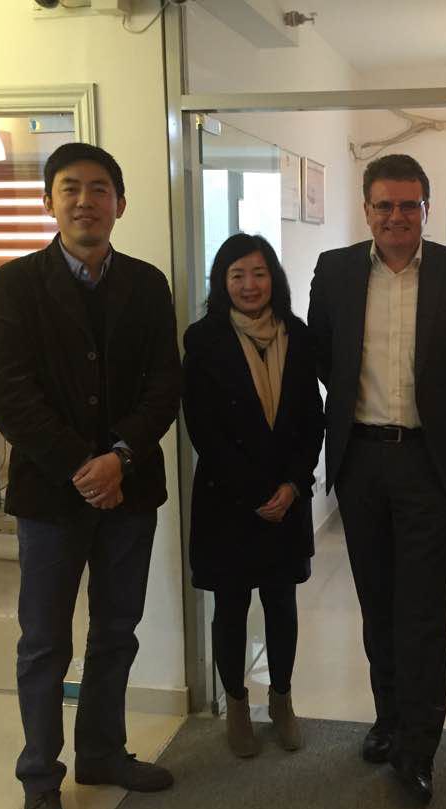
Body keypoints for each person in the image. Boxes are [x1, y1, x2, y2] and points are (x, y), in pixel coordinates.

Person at [0, 142, 182, 809]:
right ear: (49, 201)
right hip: (50, 498)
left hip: (131, 491)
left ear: (119, 204)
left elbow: (165, 385)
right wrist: (82, 465)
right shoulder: (15, 283)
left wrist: (119, 457)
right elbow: (7, 393)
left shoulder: (147, 284)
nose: (85, 200)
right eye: (70, 188)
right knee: (44, 642)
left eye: (99, 189)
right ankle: (41, 778)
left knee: (117, 630)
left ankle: (101, 752)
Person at [307, 153, 446, 805]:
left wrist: (433, 414)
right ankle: (387, 719)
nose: (396, 216)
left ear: (426, 209)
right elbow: (326, 356)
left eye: (408, 205)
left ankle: (419, 747)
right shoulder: (335, 271)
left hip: (426, 462)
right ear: (366, 209)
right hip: (360, 461)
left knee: (422, 610)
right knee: (377, 604)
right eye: (384, 205)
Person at [183, 232, 324, 758]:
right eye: (237, 274)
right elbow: (204, 428)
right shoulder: (204, 340)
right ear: (222, 282)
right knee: (231, 607)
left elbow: (312, 419)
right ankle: (237, 706)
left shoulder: (298, 335)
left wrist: (292, 484)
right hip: (228, 499)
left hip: (287, 497)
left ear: (274, 279)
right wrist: (254, 492)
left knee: (282, 603)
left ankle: (282, 701)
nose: (249, 285)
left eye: (259, 273)